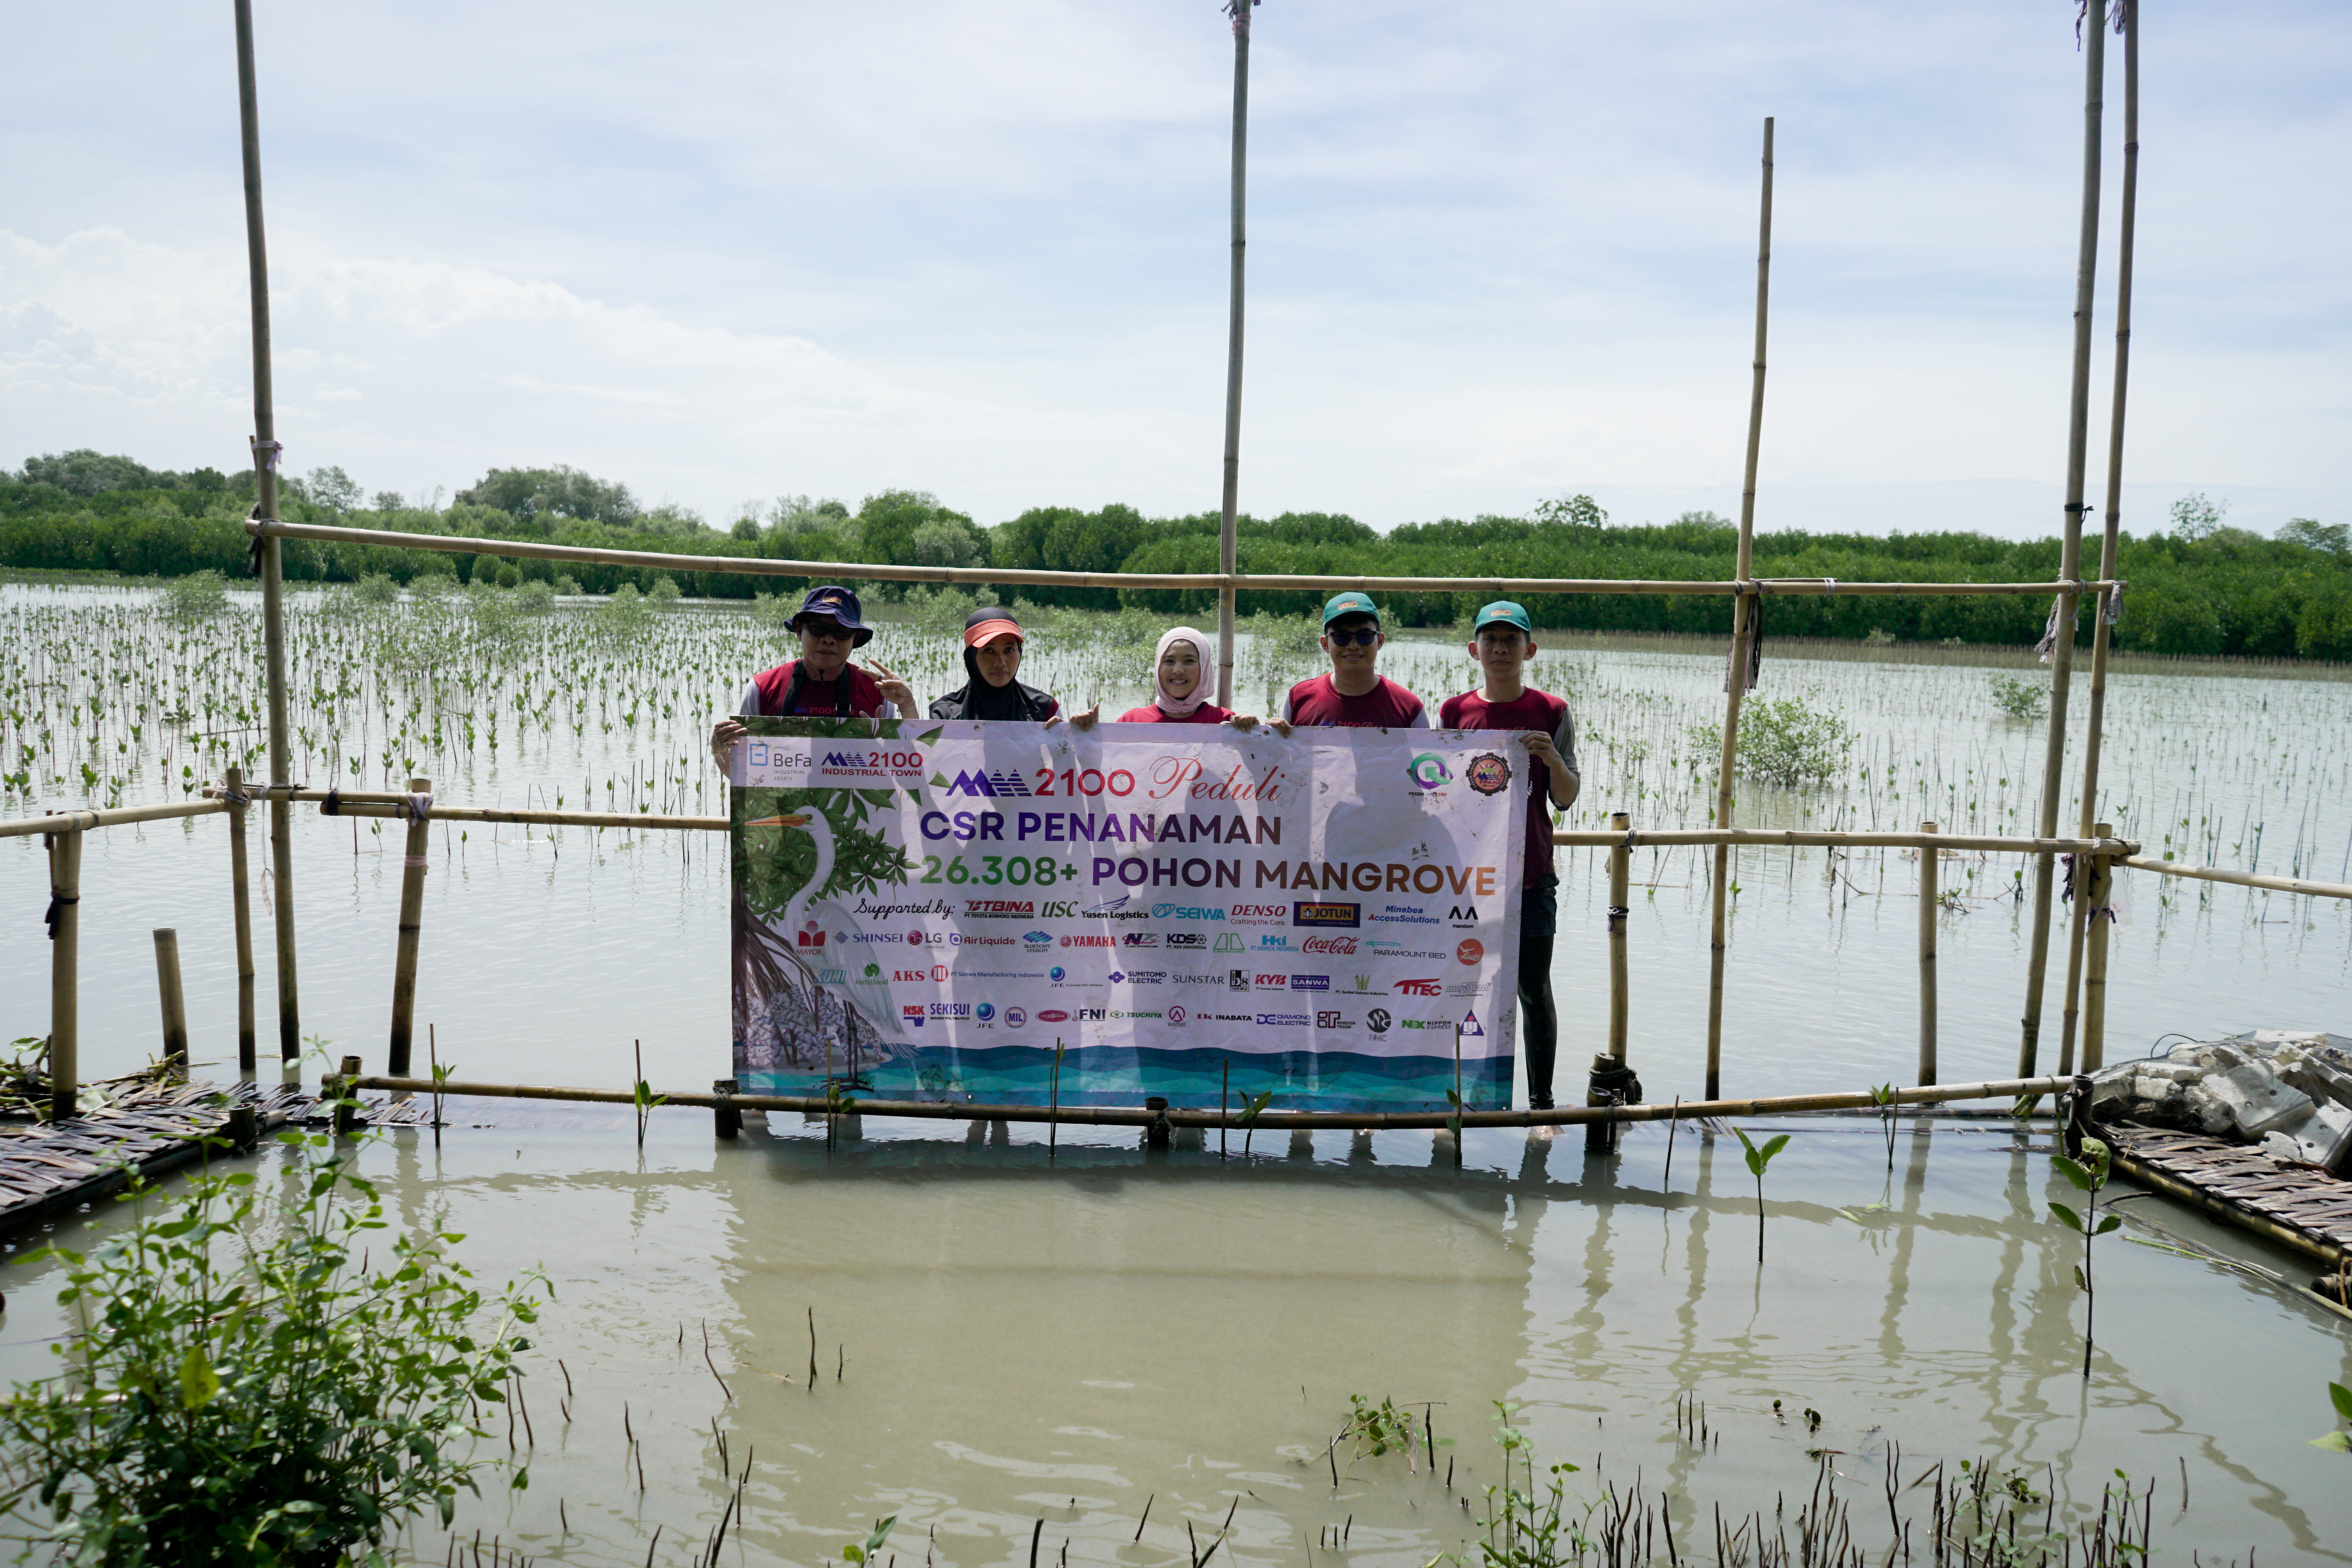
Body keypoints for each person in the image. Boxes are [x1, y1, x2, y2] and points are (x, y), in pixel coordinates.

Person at [1438, 601, 1580, 1111]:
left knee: (1533, 989)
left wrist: (1551, 758)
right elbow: (1443, 792)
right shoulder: (1454, 712)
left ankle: (1542, 1105)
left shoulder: (1553, 711)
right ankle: (1456, 1099)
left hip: (1532, 874)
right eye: (1490, 641)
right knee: (1460, 988)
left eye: (1511, 641)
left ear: (1530, 650)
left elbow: (1565, 797)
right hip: (1469, 877)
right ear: (1474, 649)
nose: (1500, 650)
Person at [710, 585, 913, 767]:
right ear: (799, 631)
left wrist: (906, 707)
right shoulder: (762, 688)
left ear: (855, 639)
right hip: (785, 810)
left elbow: (907, 770)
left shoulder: (878, 692)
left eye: (841, 632)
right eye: (818, 629)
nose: (828, 640)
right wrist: (719, 750)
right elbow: (744, 775)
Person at [1275, 591, 1429, 731]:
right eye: (1341, 637)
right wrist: (1258, 735)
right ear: (1326, 644)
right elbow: (1278, 757)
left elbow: (1428, 760)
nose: (1354, 646)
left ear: (1380, 641)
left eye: (1365, 636)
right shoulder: (1298, 698)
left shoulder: (1410, 707)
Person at [929, 607, 1089, 724]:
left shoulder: (1044, 709)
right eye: (989, 651)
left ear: (1020, 652)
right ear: (971, 658)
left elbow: (1066, 765)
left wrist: (1075, 737)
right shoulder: (945, 714)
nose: (1001, 662)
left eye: (1009, 650)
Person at [1092, 626, 1263, 729]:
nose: (1178, 670)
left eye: (1189, 661)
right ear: (1158, 666)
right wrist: (1086, 732)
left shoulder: (1226, 722)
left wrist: (1256, 734)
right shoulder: (1132, 721)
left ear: (1204, 669)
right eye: (1169, 661)